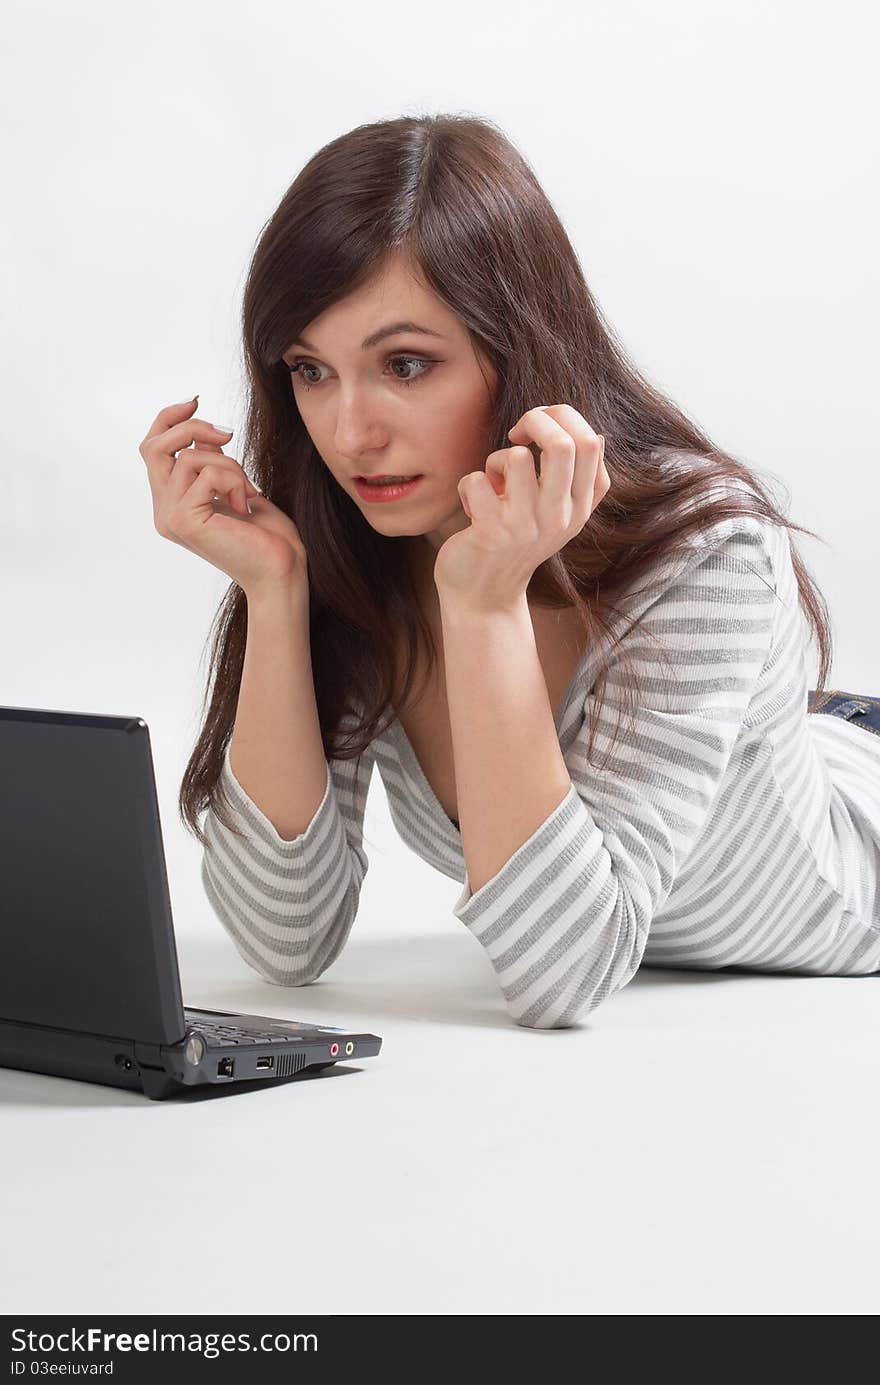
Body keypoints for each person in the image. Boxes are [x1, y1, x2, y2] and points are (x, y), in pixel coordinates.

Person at [138, 113, 880, 1029]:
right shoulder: (360, 551)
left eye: (404, 364)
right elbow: (283, 940)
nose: (349, 433)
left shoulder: (703, 548)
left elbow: (564, 972)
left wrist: (486, 605)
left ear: (518, 346)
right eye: (311, 369)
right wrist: (275, 591)